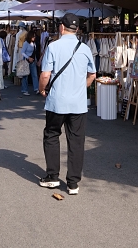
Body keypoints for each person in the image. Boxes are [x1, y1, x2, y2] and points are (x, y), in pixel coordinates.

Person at [39, 14, 95, 195]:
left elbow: (45, 75)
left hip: (57, 101)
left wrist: (42, 89)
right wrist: (80, 88)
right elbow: (92, 75)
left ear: (61, 27)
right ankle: (73, 183)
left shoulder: (53, 46)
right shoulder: (85, 48)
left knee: (52, 135)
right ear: (77, 29)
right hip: (78, 103)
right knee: (76, 141)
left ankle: (52, 177)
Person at [20, 32, 37, 96]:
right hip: (26, 60)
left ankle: (36, 88)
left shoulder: (34, 43)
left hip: (32, 60)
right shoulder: (26, 43)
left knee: (34, 75)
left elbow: (34, 52)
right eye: (33, 36)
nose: (34, 38)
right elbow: (22, 52)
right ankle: (24, 89)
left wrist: (36, 60)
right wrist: (28, 57)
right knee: (25, 75)